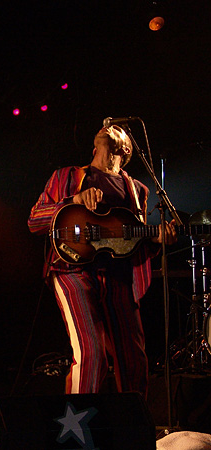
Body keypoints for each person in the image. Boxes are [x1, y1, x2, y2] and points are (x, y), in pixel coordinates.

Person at [27, 124, 177, 396]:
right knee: (91, 352)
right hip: (71, 269)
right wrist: (73, 200)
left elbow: (133, 239)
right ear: (94, 148)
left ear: (126, 149)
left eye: (118, 129)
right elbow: (35, 221)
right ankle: (78, 430)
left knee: (133, 359)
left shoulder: (137, 190)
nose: (111, 124)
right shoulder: (66, 177)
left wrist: (156, 239)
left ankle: (131, 429)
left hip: (118, 276)